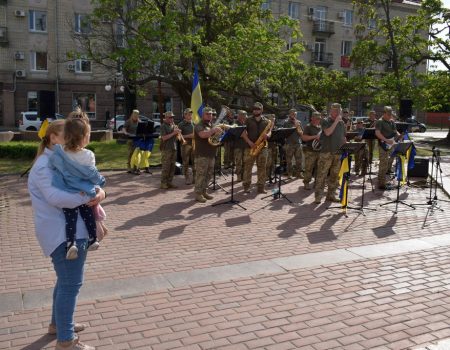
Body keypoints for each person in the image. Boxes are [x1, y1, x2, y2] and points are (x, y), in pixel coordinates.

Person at [28, 119, 105, 350]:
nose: (73, 139)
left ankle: (60, 325)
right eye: (67, 134)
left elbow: (90, 181)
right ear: (53, 138)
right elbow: (55, 198)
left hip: (69, 232)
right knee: (71, 284)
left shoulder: (62, 161)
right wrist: (89, 197)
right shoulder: (45, 165)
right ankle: (65, 340)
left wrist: (100, 192)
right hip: (62, 235)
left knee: (65, 281)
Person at [49, 112, 105, 259]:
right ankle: (93, 239)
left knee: (70, 219)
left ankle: (71, 243)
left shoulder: (60, 152)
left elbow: (55, 166)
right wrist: (101, 182)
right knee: (88, 215)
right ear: (84, 137)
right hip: (84, 192)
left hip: (67, 191)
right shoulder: (88, 155)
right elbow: (92, 175)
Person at [314, 103, 346, 204]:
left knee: (334, 176)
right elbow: (328, 132)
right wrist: (336, 121)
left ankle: (330, 195)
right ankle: (318, 197)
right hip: (326, 153)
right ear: (330, 111)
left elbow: (343, 137)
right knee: (321, 175)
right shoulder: (325, 121)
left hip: (337, 153)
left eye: (338, 110)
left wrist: (344, 141)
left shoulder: (342, 123)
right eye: (334, 110)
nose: (336, 112)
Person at [241, 102, 272, 194]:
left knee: (262, 167)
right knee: (248, 167)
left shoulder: (267, 121)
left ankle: (261, 187)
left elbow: (270, 132)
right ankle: (246, 186)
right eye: (254, 109)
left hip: (262, 147)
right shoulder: (248, 120)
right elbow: (242, 132)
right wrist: (249, 142)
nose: (255, 110)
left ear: (261, 110)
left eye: (258, 109)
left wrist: (268, 135)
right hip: (249, 147)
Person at [193, 107, 223, 202]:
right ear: (203, 115)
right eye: (207, 114)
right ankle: (198, 194)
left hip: (211, 154)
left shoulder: (211, 125)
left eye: (211, 114)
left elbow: (215, 139)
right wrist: (213, 131)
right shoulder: (199, 125)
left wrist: (219, 135)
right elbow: (203, 135)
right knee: (201, 175)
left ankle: (204, 191)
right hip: (202, 155)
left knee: (209, 175)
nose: (209, 115)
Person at [375, 106, 400, 190]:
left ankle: (384, 181)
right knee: (383, 164)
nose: (390, 116)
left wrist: (398, 134)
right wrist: (386, 140)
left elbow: (395, 131)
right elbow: (377, 133)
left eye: (390, 114)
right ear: (384, 113)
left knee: (388, 163)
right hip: (383, 145)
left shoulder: (392, 122)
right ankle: (381, 183)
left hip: (390, 145)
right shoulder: (380, 122)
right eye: (388, 114)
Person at [301, 111, 322, 190]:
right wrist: (315, 137)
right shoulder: (308, 127)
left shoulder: (321, 127)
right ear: (312, 118)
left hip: (319, 151)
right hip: (310, 151)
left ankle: (317, 183)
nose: (318, 120)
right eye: (316, 118)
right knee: (309, 168)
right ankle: (306, 182)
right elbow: (304, 138)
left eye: (319, 118)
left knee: (319, 168)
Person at [159, 111, 180, 189]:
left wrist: (178, 134)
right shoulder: (163, 126)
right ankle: (163, 183)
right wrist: (174, 133)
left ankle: (169, 182)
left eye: (172, 117)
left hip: (173, 148)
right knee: (166, 167)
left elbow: (176, 138)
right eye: (170, 117)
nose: (172, 119)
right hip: (166, 149)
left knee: (172, 167)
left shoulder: (173, 125)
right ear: (166, 118)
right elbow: (164, 138)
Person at [283, 109, 304, 179]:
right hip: (289, 144)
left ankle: (299, 173)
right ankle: (290, 174)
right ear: (289, 114)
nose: (294, 115)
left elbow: (301, 134)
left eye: (295, 114)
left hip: (298, 143)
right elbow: (284, 133)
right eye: (292, 114)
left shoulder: (299, 122)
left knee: (299, 160)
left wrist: (297, 126)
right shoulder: (286, 122)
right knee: (289, 160)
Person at [178, 108, 195, 185]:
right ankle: (187, 178)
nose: (190, 115)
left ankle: (195, 178)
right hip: (185, 146)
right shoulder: (181, 124)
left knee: (195, 162)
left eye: (191, 114)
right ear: (185, 115)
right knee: (186, 162)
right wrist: (189, 136)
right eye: (188, 114)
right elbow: (178, 137)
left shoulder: (194, 123)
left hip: (194, 145)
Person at [123, 110, 140, 174]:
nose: (136, 116)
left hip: (138, 140)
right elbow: (124, 129)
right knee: (130, 153)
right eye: (135, 115)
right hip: (130, 140)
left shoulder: (139, 122)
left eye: (137, 115)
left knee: (137, 154)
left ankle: (136, 167)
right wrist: (126, 133)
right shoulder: (128, 121)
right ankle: (129, 167)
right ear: (132, 114)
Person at [233, 110, 247, 182]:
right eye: (242, 115)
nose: (243, 117)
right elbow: (237, 133)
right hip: (238, 145)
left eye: (244, 115)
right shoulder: (235, 123)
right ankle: (238, 176)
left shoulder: (246, 123)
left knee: (245, 161)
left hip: (245, 145)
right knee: (238, 161)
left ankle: (244, 175)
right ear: (238, 116)